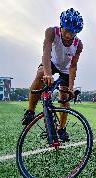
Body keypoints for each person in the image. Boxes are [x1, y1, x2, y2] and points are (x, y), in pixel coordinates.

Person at [22, 8, 84, 141]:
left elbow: (73, 66)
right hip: (52, 62)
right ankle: (30, 111)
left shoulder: (78, 45)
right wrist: (48, 73)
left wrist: (71, 87)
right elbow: (46, 52)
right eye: (67, 30)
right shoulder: (51, 32)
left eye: (73, 32)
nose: (69, 35)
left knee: (64, 97)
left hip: (66, 69)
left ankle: (61, 129)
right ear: (61, 26)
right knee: (40, 72)